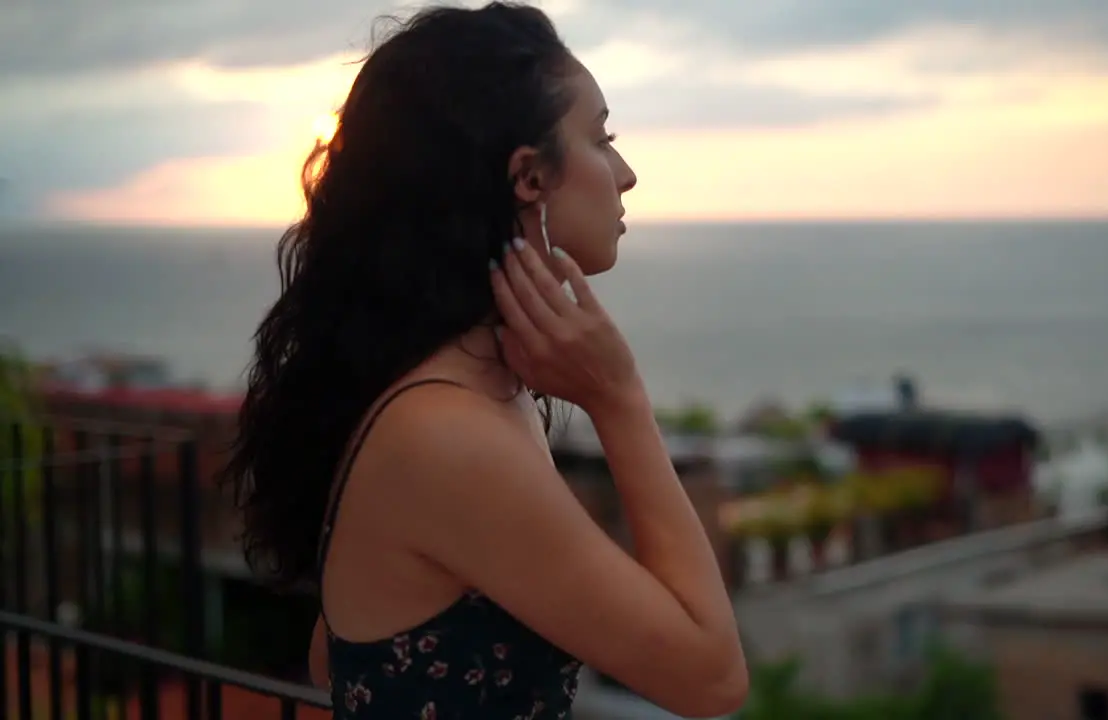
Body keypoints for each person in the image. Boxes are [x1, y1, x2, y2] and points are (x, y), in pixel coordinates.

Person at [223, 3, 749, 719]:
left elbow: (335, 648)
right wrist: (620, 400)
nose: (625, 174)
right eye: (602, 139)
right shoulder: (446, 431)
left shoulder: (463, 391)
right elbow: (711, 679)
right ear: (529, 179)